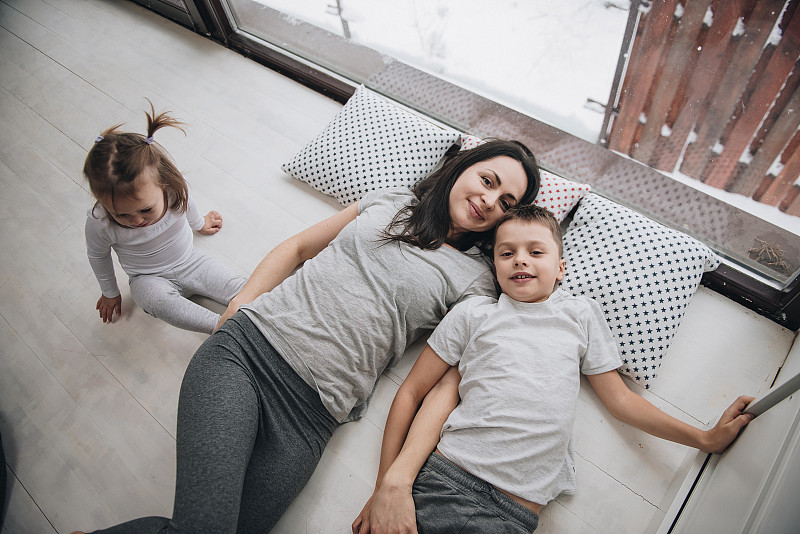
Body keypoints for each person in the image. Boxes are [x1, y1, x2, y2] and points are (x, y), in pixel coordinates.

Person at [72, 138, 542, 534]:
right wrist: (239, 308)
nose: (489, 200)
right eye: (488, 180)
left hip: (312, 417)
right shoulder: (390, 201)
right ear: (463, 168)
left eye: (506, 203)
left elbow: (444, 384)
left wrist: (394, 482)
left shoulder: (477, 279)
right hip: (249, 355)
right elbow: (297, 247)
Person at [353, 204, 755, 534]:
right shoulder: (475, 314)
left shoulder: (579, 316)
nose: (520, 260)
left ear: (561, 268)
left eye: (536, 252)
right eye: (506, 253)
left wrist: (702, 438)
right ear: (494, 267)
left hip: (515, 512)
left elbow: (620, 401)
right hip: (444, 478)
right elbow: (413, 391)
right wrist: (385, 487)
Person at [83, 103, 246, 334]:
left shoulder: (175, 192)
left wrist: (199, 223)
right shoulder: (99, 221)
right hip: (147, 278)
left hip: (191, 261)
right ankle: (222, 329)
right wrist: (110, 292)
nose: (137, 221)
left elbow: (188, 206)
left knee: (241, 287)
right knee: (154, 301)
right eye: (121, 214)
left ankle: (265, 312)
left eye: (145, 210)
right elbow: (98, 255)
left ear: (163, 184)